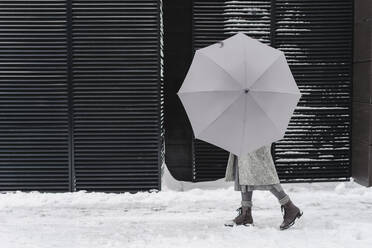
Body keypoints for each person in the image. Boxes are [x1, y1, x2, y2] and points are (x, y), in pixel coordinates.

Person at [224, 143, 303, 230]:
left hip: (257, 137)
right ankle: (246, 214)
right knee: (244, 171)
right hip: (244, 137)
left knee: (265, 174)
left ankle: (289, 207)